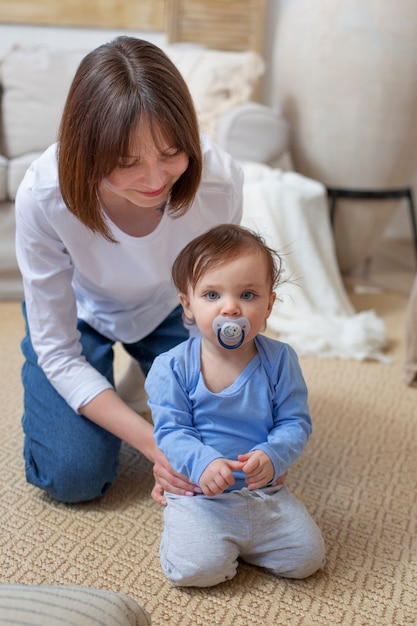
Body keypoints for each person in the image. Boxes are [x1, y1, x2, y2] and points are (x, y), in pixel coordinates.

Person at [14, 36, 244, 506]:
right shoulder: (44, 195)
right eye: (126, 163)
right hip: (80, 313)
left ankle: (151, 371)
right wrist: (151, 441)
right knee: (72, 476)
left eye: (170, 153)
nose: (156, 180)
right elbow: (58, 352)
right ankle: (133, 389)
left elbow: (216, 302)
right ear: (88, 150)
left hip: (171, 309)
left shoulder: (218, 183)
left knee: (231, 451)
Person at [145, 224, 325, 587]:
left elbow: (295, 423)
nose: (230, 308)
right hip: (200, 494)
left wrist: (274, 456)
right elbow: (170, 431)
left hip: (264, 491)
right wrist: (203, 462)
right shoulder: (173, 366)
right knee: (197, 569)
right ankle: (195, 537)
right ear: (188, 305)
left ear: (269, 304)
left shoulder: (280, 360)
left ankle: (244, 542)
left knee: (307, 559)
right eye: (212, 295)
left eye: (247, 294)